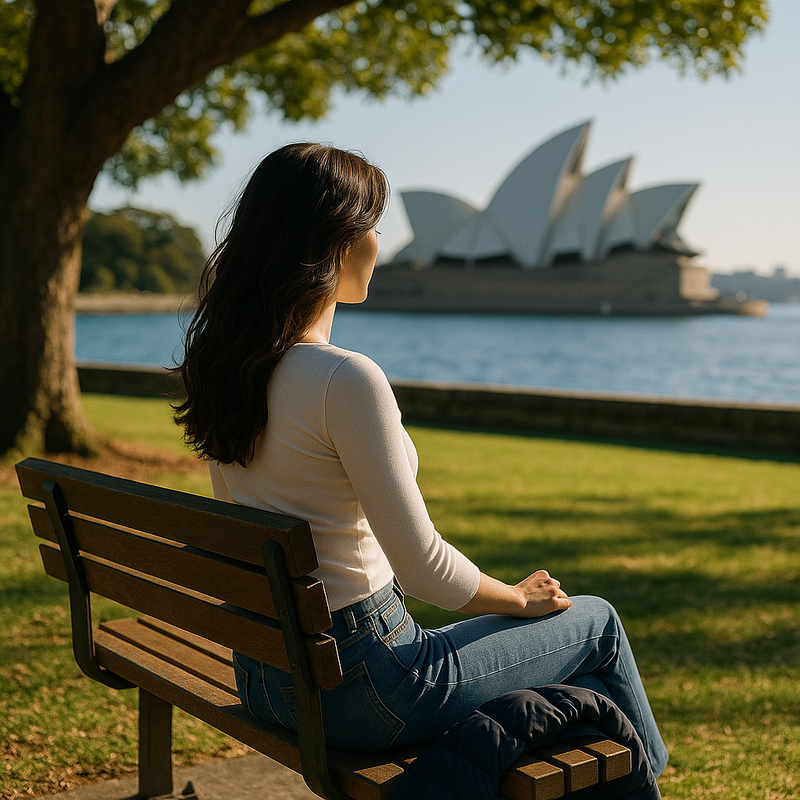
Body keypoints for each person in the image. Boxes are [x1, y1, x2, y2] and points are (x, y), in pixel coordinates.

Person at [174, 142, 668, 775]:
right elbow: (426, 572)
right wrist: (517, 599)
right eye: (373, 227)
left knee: (565, 688)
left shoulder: (225, 368)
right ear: (337, 243)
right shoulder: (342, 380)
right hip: (369, 688)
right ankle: (652, 785)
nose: (382, 242)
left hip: (271, 679)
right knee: (596, 623)